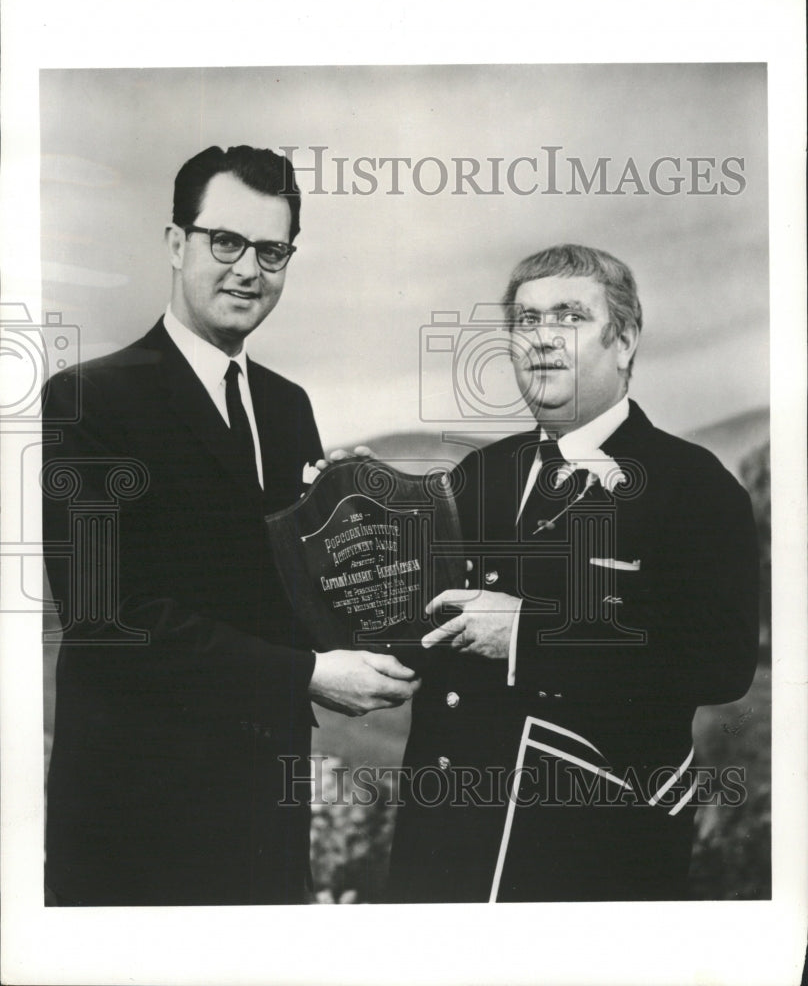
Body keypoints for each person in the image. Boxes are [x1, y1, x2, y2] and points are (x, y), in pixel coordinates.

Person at [42, 145, 419, 906]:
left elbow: (290, 596)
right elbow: (106, 620)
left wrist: (359, 538)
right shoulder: (88, 400)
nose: (249, 269)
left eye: (272, 250)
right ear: (176, 243)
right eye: (227, 242)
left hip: (264, 813)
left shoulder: (288, 407)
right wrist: (309, 675)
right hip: (136, 825)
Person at [387, 243, 759, 902]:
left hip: (594, 848)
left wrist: (530, 636)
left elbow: (719, 663)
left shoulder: (693, 485)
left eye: (569, 317)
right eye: (526, 321)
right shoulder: (479, 475)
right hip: (446, 841)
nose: (543, 340)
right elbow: (430, 625)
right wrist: (345, 529)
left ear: (625, 339)